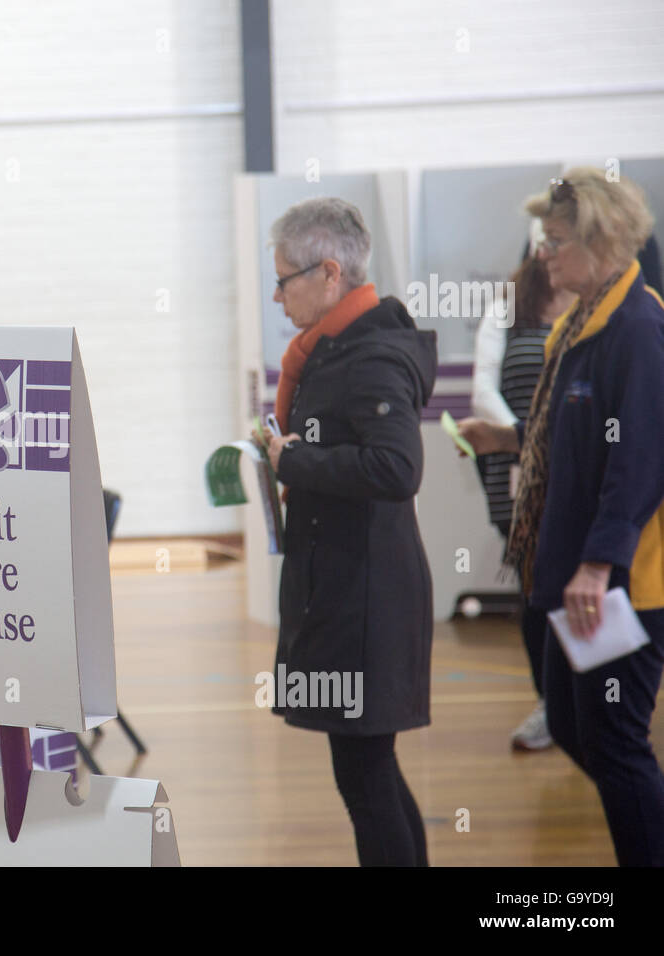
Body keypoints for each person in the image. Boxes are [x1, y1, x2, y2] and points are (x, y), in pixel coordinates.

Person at [458, 168, 664, 866]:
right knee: (577, 730)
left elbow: (638, 461)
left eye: (555, 242)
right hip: (569, 574)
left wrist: (599, 564)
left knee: (613, 740)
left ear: (600, 241)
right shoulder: (578, 325)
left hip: (616, 584)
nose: (542, 255)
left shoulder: (638, 329)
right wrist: (513, 439)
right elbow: (576, 440)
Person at [263, 197, 436, 866]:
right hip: (349, 587)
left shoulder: (370, 355)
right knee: (372, 772)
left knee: (364, 777)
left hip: (368, 598)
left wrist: (294, 459)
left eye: (284, 280)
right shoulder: (335, 350)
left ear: (328, 272)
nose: (277, 298)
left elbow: (396, 467)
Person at [470, 227, 575, 751]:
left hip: (579, 473)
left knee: (583, 589)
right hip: (516, 475)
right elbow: (483, 387)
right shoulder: (506, 308)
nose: (549, 257)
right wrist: (526, 440)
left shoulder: (597, 309)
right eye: (544, 247)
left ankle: (590, 702)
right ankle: (550, 705)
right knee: (534, 593)